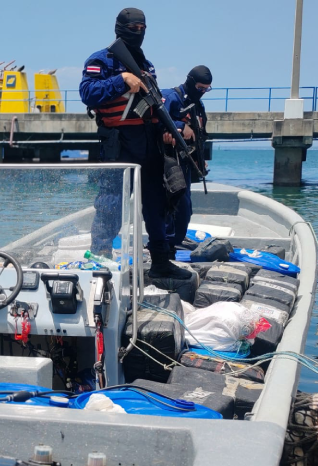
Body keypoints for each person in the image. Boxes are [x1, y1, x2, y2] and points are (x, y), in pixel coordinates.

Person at [80, 7, 191, 279]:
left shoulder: (146, 64)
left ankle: (161, 261)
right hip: (118, 145)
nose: (138, 33)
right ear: (120, 28)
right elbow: (87, 92)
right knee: (110, 204)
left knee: (156, 205)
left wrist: (169, 130)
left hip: (149, 145)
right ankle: (100, 260)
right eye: (133, 29)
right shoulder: (101, 60)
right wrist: (121, 80)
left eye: (142, 29)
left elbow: (153, 106)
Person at [162, 66, 212, 255]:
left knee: (186, 209)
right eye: (200, 88)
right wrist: (180, 126)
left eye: (207, 89)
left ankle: (172, 246)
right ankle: (164, 248)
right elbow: (155, 119)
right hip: (169, 161)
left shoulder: (198, 105)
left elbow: (200, 135)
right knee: (174, 207)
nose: (203, 92)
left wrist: (200, 159)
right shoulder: (171, 97)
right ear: (191, 82)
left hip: (187, 162)